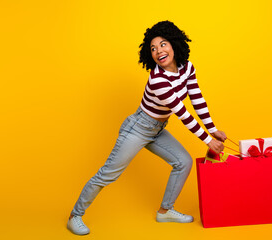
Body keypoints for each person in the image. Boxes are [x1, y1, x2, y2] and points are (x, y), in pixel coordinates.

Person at [67, 20, 227, 235]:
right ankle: (75, 215)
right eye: (153, 48)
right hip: (138, 128)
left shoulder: (187, 67)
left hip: (157, 130)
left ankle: (164, 211)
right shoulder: (158, 80)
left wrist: (213, 129)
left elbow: (197, 99)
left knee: (184, 162)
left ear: (173, 43)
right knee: (108, 174)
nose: (158, 50)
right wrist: (208, 141)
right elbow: (182, 113)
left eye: (162, 44)